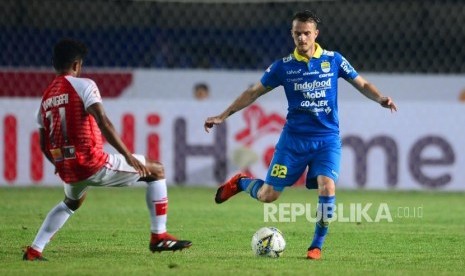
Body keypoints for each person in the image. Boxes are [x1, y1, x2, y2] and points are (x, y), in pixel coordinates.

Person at [204, 10, 397, 260]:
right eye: (298, 34)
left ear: (316, 34)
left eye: (307, 33)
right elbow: (253, 92)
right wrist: (223, 115)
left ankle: (316, 246)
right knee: (268, 196)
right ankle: (241, 182)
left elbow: (361, 83)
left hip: (327, 139)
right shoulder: (283, 67)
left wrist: (380, 98)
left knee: (327, 187)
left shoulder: (334, 60)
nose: (302, 38)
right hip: (293, 142)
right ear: (292, 35)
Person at [23, 39, 192, 261]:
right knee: (156, 170)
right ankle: (158, 236)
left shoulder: (45, 99)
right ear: (77, 65)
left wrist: (58, 164)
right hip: (92, 162)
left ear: (55, 64)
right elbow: (103, 122)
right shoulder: (84, 85)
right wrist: (128, 156)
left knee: (71, 202)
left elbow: (43, 143)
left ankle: (35, 250)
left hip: (68, 168)